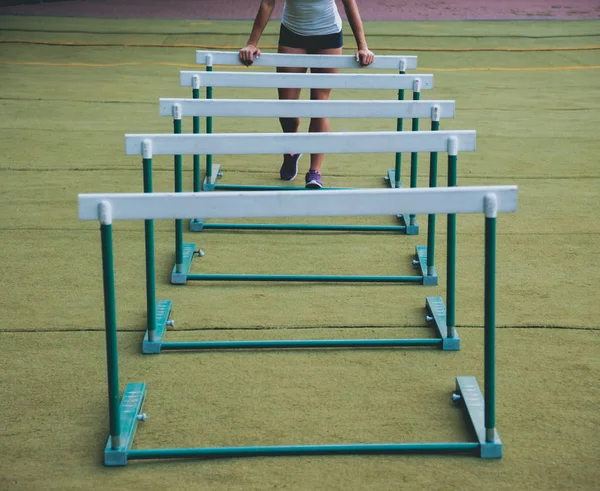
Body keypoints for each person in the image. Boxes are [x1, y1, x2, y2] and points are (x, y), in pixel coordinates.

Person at [239, 0, 374, 188]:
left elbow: (349, 4)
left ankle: (314, 171)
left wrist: (363, 46)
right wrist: (252, 43)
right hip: (293, 34)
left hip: (328, 35)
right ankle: (292, 147)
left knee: (319, 104)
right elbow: (268, 3)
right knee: (288, 109)